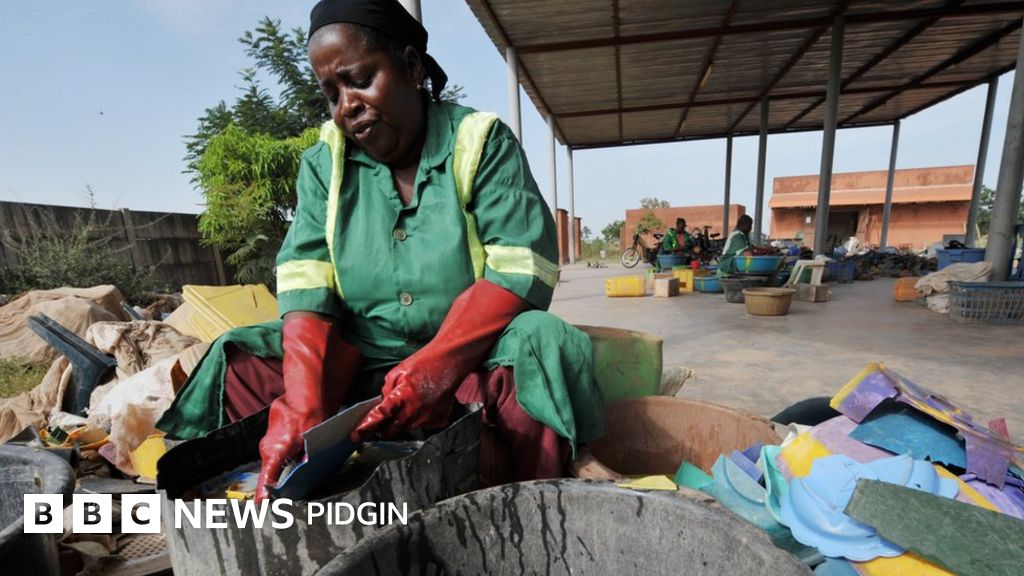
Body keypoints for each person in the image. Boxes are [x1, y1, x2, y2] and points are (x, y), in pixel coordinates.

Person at [157, 0, 604, 502]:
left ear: (411, 68)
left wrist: (437, 366)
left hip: (469, 361)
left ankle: (528, 506)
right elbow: (307, 286)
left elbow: (522, 268)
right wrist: (304, 403)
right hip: (364, 363)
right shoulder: (325, 163)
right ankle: (289, 497)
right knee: (238, 358)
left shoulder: (479, 142)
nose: (346, 104)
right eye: (331, 93)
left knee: (541, 343)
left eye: (360, 79)